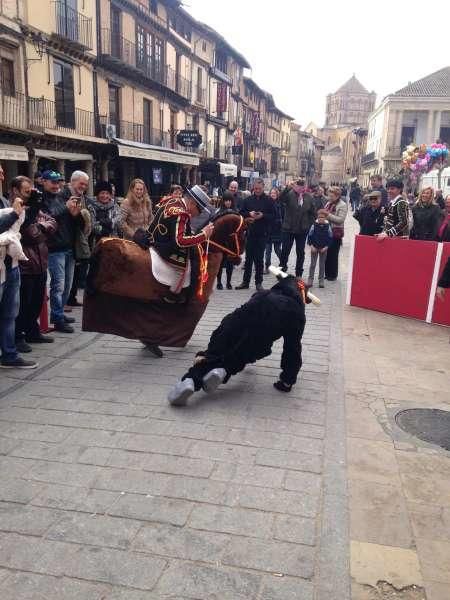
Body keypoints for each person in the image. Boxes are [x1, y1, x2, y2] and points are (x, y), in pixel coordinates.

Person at [167, 270, 308, 406]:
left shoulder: (263, 294)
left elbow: (229, 325)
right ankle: (224, 369)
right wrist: (287, 380)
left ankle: (192, 379)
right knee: (247, 350)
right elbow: (292, 349)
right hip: (265, 333)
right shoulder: (297, 314)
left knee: (227, 331)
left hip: (255, 307)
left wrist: (209, 353)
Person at [135, 185, 214, 304]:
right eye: (200, 209)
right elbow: (180, 241)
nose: (199, 213)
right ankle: (172, 296)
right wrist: (203, 235)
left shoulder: (172, 200)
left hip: (152, 236)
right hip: (161, 245)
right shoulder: (181, 213)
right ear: (192, 203)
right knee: (183, 269)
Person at [10, 177, 56, 352]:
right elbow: (29, 235)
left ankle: (32, 330)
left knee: (37, 300)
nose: (31, 194)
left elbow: (52, 222)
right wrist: (42, 228)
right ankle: (19, 335)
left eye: (31, 190)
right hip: (25, 263)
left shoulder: (35, 206)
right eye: (26, 191)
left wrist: (40, 226)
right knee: (23, 303)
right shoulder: (15, 208)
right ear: (15, 190)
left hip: (40, 261)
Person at [41, 170, 83, 333]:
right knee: (58, 285)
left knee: (67, 285)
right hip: (54, 249)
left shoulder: (61, 197)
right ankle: (57, 318)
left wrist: (76, 214)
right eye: (53, 182)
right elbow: (47, 218)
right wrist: (66, 208)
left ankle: (59, 313)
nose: (56, 185)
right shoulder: (42, 200)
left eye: (58, 182)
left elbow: (75, 223)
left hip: (68, 247)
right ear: (43, 182)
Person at [0, 195, 38, 369]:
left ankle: (9, 354)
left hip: (11, 266)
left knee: (9, 314)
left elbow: (22, 224)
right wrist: (14, 214)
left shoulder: (3, 200)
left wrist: (35, 206)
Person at [236, 178, 275, 291]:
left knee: (259, 259)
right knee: (248, 259)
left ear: (263, 188)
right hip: (250, 232)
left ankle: (258, 283)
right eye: (256, 188)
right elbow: (241, 214)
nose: (257, 190)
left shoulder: (269, 201)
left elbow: (274, 216)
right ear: (253, 188)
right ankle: (245, 282)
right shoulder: (248, 200)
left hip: (263, 233)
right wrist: (249, 214)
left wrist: (263, 215)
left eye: (259, 188)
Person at [63, 171, 92, 307]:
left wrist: (81, 216)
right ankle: (60, 310)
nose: (84, 187)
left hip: (75, 240)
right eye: (81, 184)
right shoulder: (64, 194)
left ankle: (68, 302)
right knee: (61, 281)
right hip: (63, 241)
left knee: (71, 277)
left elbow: (81, 221)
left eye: (86, 185)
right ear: (73, 181)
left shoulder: (81, 197)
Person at [279, 179, 316, 278]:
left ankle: (299, 273)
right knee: (285, 250)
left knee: (300, 252)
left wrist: (309, 224)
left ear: (305, 187)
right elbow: (280, 199)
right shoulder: (289, 194)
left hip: (302, 230)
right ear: (295, 186)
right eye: (298, 185)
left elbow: (313, 213)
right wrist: (287, 188)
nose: (300, 188)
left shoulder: (309, 197)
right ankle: (282, 270)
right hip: (288, 228)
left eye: (302, 186)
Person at [323, 186, 348, 281]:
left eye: (332, 196)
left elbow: (340, 220)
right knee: (326, 253)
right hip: (326, 231)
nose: (329, 198)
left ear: (337, 196)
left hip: (335, 232)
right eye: (329, 195)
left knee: (333, 254)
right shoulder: (329, 203)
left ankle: (332, 275)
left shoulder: (342, 205)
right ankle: (327, 273)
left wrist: (327, 215)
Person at [307, 208, 333, 288]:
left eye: (322, 217)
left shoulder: (328, 226)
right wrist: (311, 246)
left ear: (325, 218)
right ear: (317, 217)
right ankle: (310, 279)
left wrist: (326, 247)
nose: (321, 218)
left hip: (323, 249)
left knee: (322, 265)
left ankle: (321, 280)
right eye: (319, 217)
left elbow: (330, 237)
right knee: (313, 264)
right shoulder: (313, 225)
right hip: (314, 247)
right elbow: (310, 236)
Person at [216, 192, 236, 290]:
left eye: (230, 201)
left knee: (230, 263)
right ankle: (219, 282)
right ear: (223, 201)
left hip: (231, 241)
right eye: (226, 200)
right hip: (221, 241)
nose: (228, 202)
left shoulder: (235, 212)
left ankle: (228, 282)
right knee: (220, 262)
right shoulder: (219, 212)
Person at [264, 187, 283, 273]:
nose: (273, 195)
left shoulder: (281, 204)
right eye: (271, 193)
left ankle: (283, 263)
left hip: (277, 230)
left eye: (274, 193)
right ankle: (267, 266)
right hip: (268, 230)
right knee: (268, 250)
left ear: (277, 194)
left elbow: (283, 216)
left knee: (277, 249)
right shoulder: (267, 203)